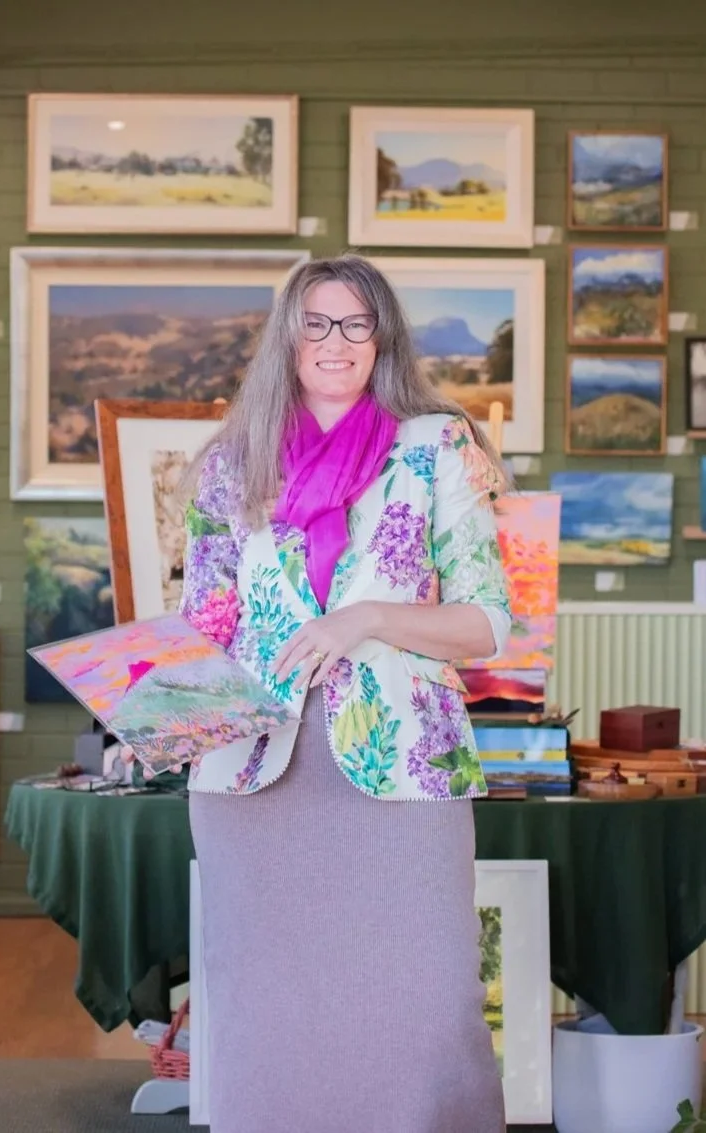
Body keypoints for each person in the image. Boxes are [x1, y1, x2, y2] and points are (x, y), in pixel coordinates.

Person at [179, 254, 512, 1133]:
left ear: (382, 338)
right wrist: (153, 706)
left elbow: (485, 625)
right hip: (252, 780)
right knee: (268, 1016)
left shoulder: (438, 446)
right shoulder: (229, 464)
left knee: (428, 1007)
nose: (335, 341)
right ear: (286, 336)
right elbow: (201, 626)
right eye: (316, 322)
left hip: (403, 769)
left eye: (355, 323)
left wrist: (363, 617)